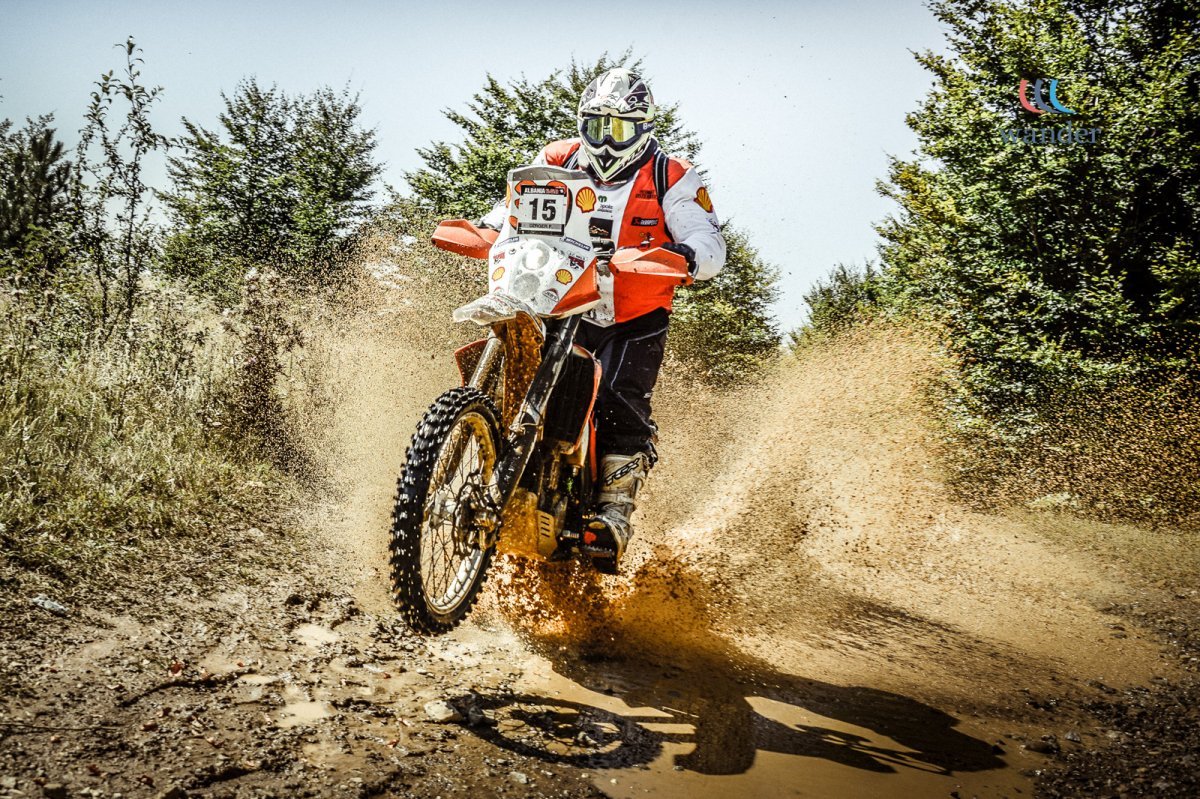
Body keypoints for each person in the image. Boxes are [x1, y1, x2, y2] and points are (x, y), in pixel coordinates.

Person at [481, 68, 726, 563]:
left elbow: (708, 239)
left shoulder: (671, 175)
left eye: (617, 128)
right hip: (557, 296)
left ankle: (614, 510)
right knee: (513, 352)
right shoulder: (558, 159)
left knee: (619, 396)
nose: (605, 140)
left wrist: (686, 255)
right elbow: (515, 209)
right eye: (595, 126)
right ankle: (473, 446)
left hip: (633, 314)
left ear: (643, 127)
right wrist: (485, 227)